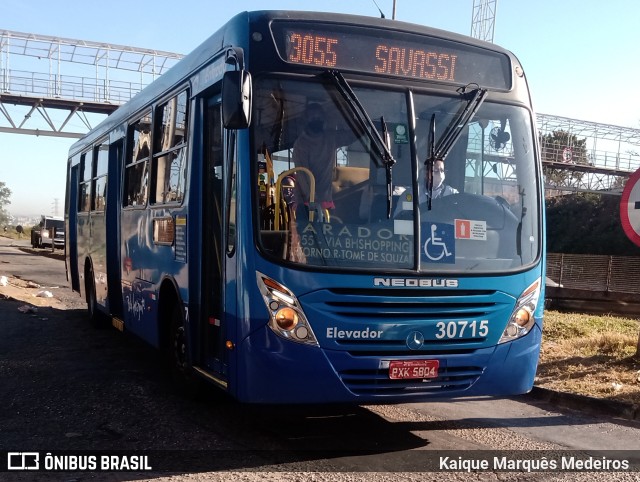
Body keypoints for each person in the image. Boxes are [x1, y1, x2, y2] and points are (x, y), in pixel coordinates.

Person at [291, 103, 350, 221]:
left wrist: (341, 116)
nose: (316, 120)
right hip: (307, 203)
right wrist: (312, 199)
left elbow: (351, 136)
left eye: (319, 118)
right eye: (313, 118)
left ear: (324, 119)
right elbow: (303, 175)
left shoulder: (330, 138)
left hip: (326, 200)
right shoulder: (301, 145)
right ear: (306, 120)